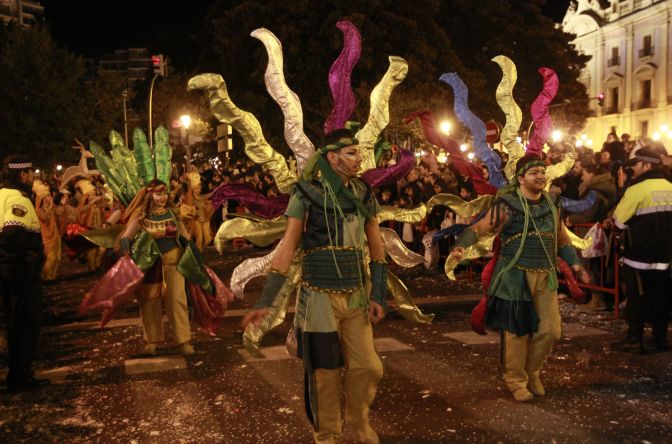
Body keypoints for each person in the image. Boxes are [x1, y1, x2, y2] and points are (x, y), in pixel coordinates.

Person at [242, 128, 387, 444]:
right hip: (318, 297)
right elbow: (288, 246)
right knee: (324, 372)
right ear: (332, 158)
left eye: (359, 152)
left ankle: (359, 420)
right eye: (352, 153)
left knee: (369, 367)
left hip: (356, 296)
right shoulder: (305, 193)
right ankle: (327, 434)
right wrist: (266, 300)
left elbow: (376, 246)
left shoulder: (364, 193)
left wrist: (378, 292)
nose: (359, 158)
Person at [451, 154, 589, 401]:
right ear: (521, 178)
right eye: (534, 172)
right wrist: (461, 246)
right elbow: (478, 228)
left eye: (542, 171)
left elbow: (562, 238)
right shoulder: (507, 204)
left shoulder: (551, 202)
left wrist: (576, 264)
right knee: (517, 331)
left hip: (546, 276)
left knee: (551, 331)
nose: (540, 176)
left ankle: (532, 371)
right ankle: (515, 381)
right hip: (515, 276)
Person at [119, 179, 196, 355]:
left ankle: (184, 341)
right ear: (150, 195)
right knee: (150, 302)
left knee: (177, 300)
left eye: (165, 193)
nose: (162, 197)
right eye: (158, 194)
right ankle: (152, 342)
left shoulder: (173, 213)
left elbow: (184, 236)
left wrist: (193, 252)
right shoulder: (142, 214)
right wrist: (126, 253)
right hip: (150, 266)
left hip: (174, 263)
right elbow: (127, 236)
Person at [607, 147, 672, 352]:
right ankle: (660, 338)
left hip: (638, 256)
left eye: (635, 164)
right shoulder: (670, 186)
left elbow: (619, 222)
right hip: (665, 257)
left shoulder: (636, 190)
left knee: (637, 297)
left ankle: (635, 338)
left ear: (647, 164)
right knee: (661, 296)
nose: (631, 169)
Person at [0, 154, 50, 392]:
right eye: (31, 173)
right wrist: (32, 254)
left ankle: (18, 374)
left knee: (14, 323)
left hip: (9, 269)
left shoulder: (2, 194)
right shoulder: (17, 198)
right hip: (19, 271)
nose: (33, 177)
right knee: (25, 323)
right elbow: (12, 234)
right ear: (22, 174)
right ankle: (20, 377)